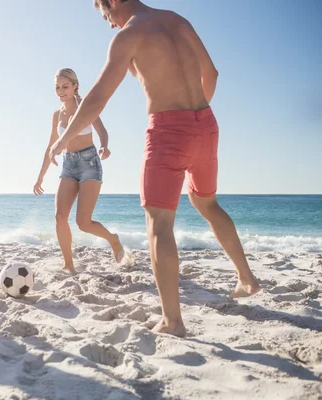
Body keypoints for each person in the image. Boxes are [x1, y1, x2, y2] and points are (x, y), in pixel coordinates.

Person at [49, 0, 259, 337]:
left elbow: (96, 99)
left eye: (107, 15)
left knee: (158, 223)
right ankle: (247, 278)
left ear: (114, 1)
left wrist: (63, 140)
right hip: (206, 124)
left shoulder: (128, 35)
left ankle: (173, 321)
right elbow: (212, 73)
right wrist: (195, 117)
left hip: (168, 129)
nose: (110, 24)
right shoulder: (177, 19)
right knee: (207, 203)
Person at [34, 68, 132, 274]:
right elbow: (50, 146)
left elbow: (102, 131)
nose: (61, 91)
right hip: (68, 165)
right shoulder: (56, 115)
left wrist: (105, 145)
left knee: (83, 223)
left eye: (65, 86)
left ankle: (113, 240)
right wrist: (40, 177)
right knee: (60, 217)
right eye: (57, 87)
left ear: (75, 86)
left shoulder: (85, 106)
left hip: (90, 164)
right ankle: (69, 264)